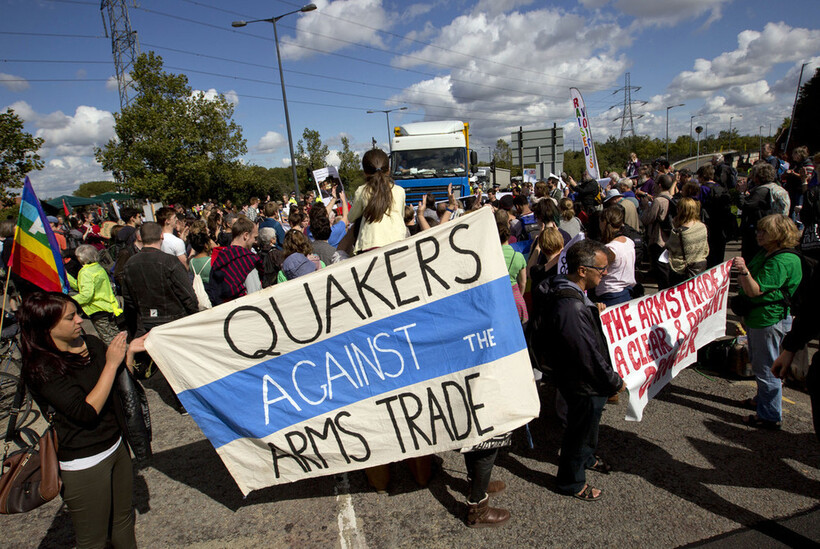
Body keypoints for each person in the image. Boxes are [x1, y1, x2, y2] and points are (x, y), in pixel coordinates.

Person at [19, 292, 143, 549]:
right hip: (85, 462)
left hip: (117, 446)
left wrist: (129, 353)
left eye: (77, 312)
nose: (79, 319)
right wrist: (111, 363)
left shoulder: (92, 343)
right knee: (93, 540)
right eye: (70, 316)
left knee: (122, 521)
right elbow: (86, 412)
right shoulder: (41, 368)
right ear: (47, 327)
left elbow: (120, 384)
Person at [534, 239, 624, 500]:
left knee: (588, 426)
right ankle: (572, 483)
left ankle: (586, 458)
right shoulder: (571, 306)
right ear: (583, 271)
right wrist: (613, 381)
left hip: (580, 379)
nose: (605, 273)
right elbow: (587, 356)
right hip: (583, 382)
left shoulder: (570, 293)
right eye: (602, 268)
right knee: (578, 431)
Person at [732, 214, 802, 429]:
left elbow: (755, 290)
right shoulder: (769, 253)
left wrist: (743, 271)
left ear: (778, 234)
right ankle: (762, 401)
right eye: (758, 230)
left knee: (766, 368)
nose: (758, 234)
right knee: (762, 362)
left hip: (768, 319)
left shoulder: (782, 260)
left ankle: (769, 415)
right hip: (761, 318)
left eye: (764, 231)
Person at [348, 149, 406, 254]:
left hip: (370, 244)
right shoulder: (400, 191)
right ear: (388, 169)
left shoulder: (362, 191)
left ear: (365, 172)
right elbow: (401, 216)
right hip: (397, 242)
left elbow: (351, 218)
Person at [69, 244, 123, 345]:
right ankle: (126, 355)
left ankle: (120, 358)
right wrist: (67, 277)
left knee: (108, 339)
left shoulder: (85, 272)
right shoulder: (97, 267)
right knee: (115, 334)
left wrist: (69, 300)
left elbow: (86, 295)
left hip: (97, 309)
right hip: (108, 306)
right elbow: (81, 286)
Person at [209, 216, 262, 303]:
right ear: (246, 236)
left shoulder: (220, 257)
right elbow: (255, 294)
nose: (256, 241)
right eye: (255, 237)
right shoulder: (247, 261)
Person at [593, 204, 636, 307]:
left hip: (610, 295)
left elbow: (598, 271)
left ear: (603, 222)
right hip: (626, 292)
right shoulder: (629, 242)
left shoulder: (611, 249)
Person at [640, 174, 676, 289]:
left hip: (658, 238)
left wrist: (645, 207)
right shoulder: (672, 198)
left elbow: (647, 219)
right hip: (670, 237)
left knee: (661, 271)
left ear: (659, 185)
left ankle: (663, 292)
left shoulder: (659, 201)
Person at [665, 197, 709, 285]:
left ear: (680, 210)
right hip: (700, 267)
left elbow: (670, 247)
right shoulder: (702, 227)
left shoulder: (679, 232)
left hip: (683, 271)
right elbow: (705, 247)